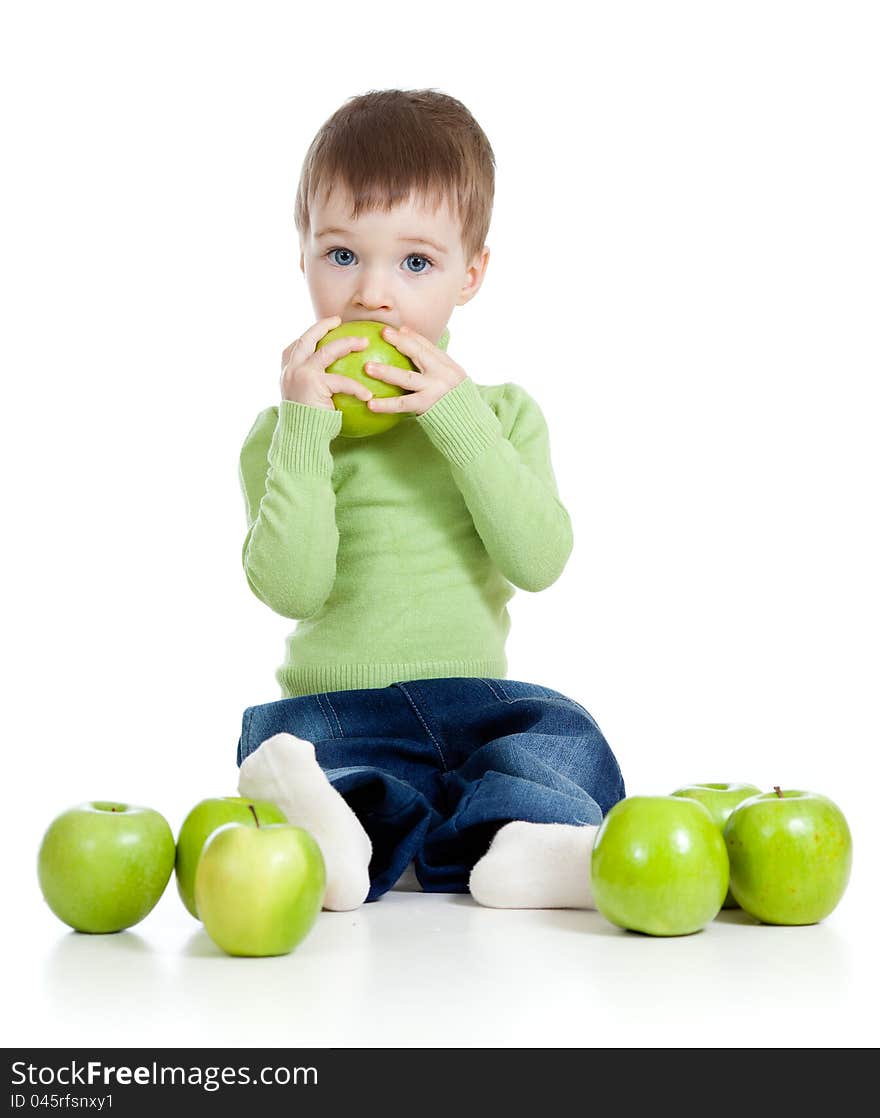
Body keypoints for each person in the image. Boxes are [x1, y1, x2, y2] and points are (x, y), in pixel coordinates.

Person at [235, 88, 625, 912]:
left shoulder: (503, 415)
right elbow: (292, 589)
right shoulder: (285, 437)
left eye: (414, 263)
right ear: (302, 256)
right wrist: (307, 429)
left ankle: (525, 847)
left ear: (470, 275)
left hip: (477, 705)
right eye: (342, 255)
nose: (373, 295)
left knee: (560, 734)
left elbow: (540, 559)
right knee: (298, 747)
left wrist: (460, 418)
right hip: (343, 708)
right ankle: (336, 841)